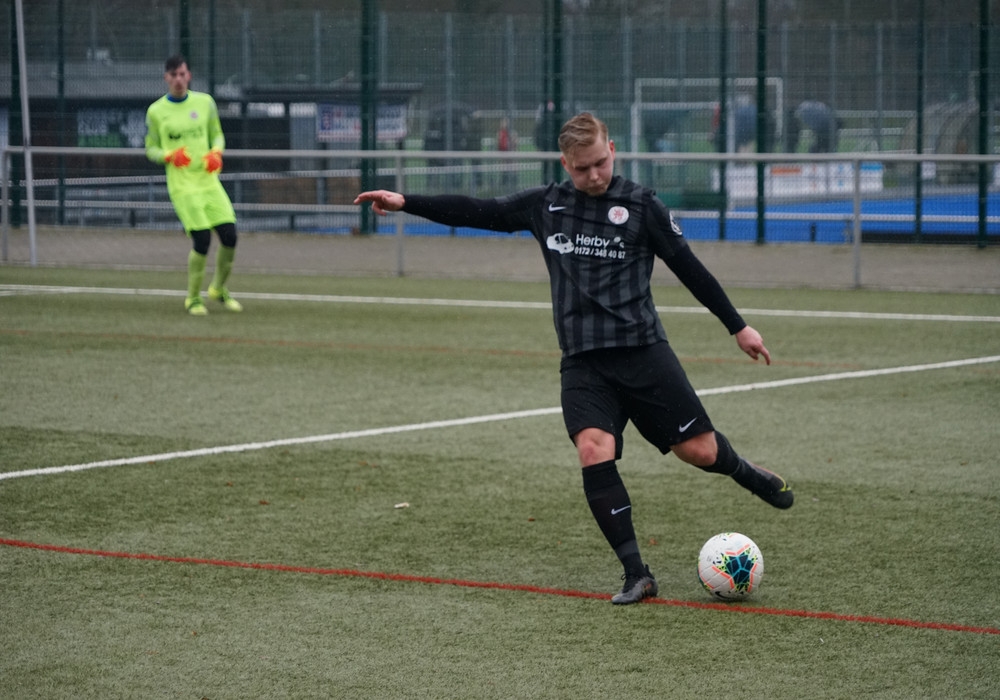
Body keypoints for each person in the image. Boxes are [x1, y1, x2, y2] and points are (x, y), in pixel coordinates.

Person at [354, 112, 793, 605]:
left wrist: (738, 327)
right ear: (566, 163)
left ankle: (747, 472)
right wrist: (406, 201)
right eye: (582, 168)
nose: (595, 175)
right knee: (592, 449)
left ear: (613, 150)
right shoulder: (547, 205)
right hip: (584, 362)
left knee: (700, 453)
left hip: (643, 352)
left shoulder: (642, 205)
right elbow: (478, 210)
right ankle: (637, 574)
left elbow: (691, 270)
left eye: (601, 163)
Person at [145, 54, 242, 315]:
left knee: (230, 236)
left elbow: (217, 135)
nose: (178, 79)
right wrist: (168, 155)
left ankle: (218, 289)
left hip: (208, 182)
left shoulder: (205, 102)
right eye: (173, 75)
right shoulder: (156, 111)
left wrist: (216, 153)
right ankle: (193, 298)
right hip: (183, 186)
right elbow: (151, 148)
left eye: (182, 74)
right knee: (201, 238)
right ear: (166, 78)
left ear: (189, 75)